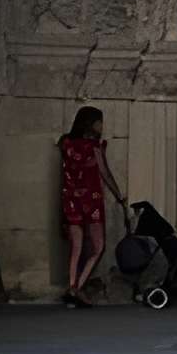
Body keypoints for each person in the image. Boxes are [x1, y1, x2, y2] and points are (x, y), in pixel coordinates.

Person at [59, 106, 126, 308]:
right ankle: (76, 289)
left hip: (70, 200)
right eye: (99, 121)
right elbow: (104, 173)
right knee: (98, 247)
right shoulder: (94, 146)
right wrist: (119, 196)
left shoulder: (66, 144)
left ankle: (72, 288)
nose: (101, 126)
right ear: (91, 123)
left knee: (76, 247)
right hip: (91, 201)